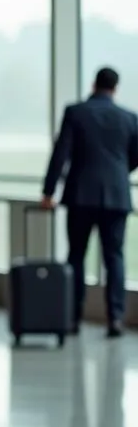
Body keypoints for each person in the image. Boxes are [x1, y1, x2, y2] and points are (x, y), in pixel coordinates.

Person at [41, 67, 138, 338]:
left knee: (76, 256)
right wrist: (118, 173)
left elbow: (61, 153)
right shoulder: (129, 117)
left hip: (80, 195)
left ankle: (73, 316)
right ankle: (115, 318)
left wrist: (49, 191)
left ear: (93, 84)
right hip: (117, 197)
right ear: (115, 88)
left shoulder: (76, 112)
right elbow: (135, 156)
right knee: (114, 257)